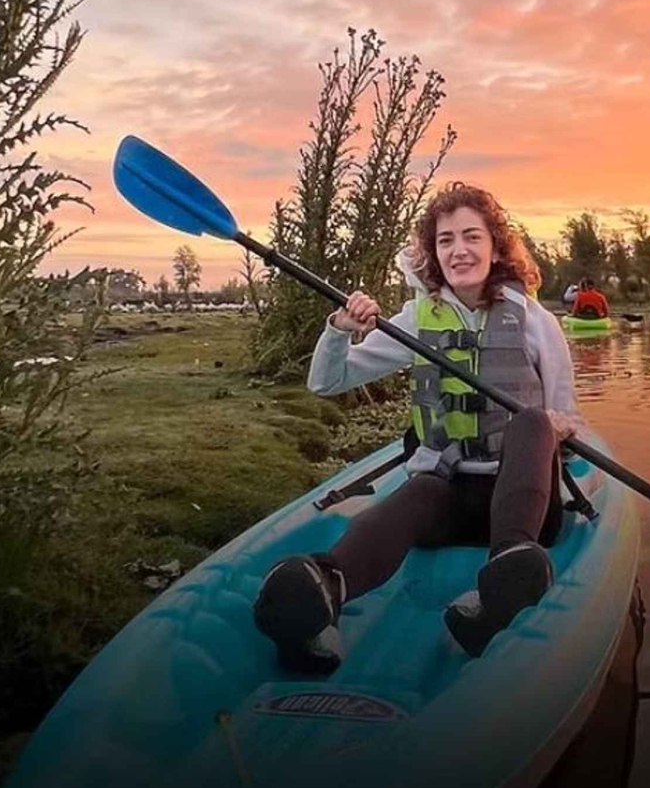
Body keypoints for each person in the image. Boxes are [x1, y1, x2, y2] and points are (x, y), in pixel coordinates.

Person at [252, 182, 587, 673]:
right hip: (449, 499)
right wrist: (338, 331)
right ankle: (322, 589)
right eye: (445, 240)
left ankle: (508, 575)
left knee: (534, 420)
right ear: (433, 252)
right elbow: (328, 383)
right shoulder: (415, 320)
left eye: (472, 236)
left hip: (525, 510)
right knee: (418, 492)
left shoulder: (537, 323)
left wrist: (561, 430)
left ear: (495, 247)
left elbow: (569, 420)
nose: (459, 250)